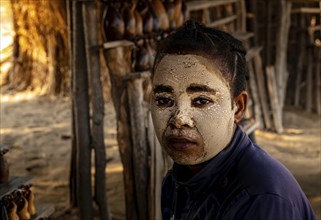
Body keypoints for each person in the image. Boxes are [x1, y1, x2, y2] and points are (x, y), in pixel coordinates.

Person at [150, 20, 316, 220]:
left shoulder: (261, 199)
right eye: (164, 100)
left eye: (201, 100)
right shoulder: (178, 180)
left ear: (238, 107)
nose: (179, 119)